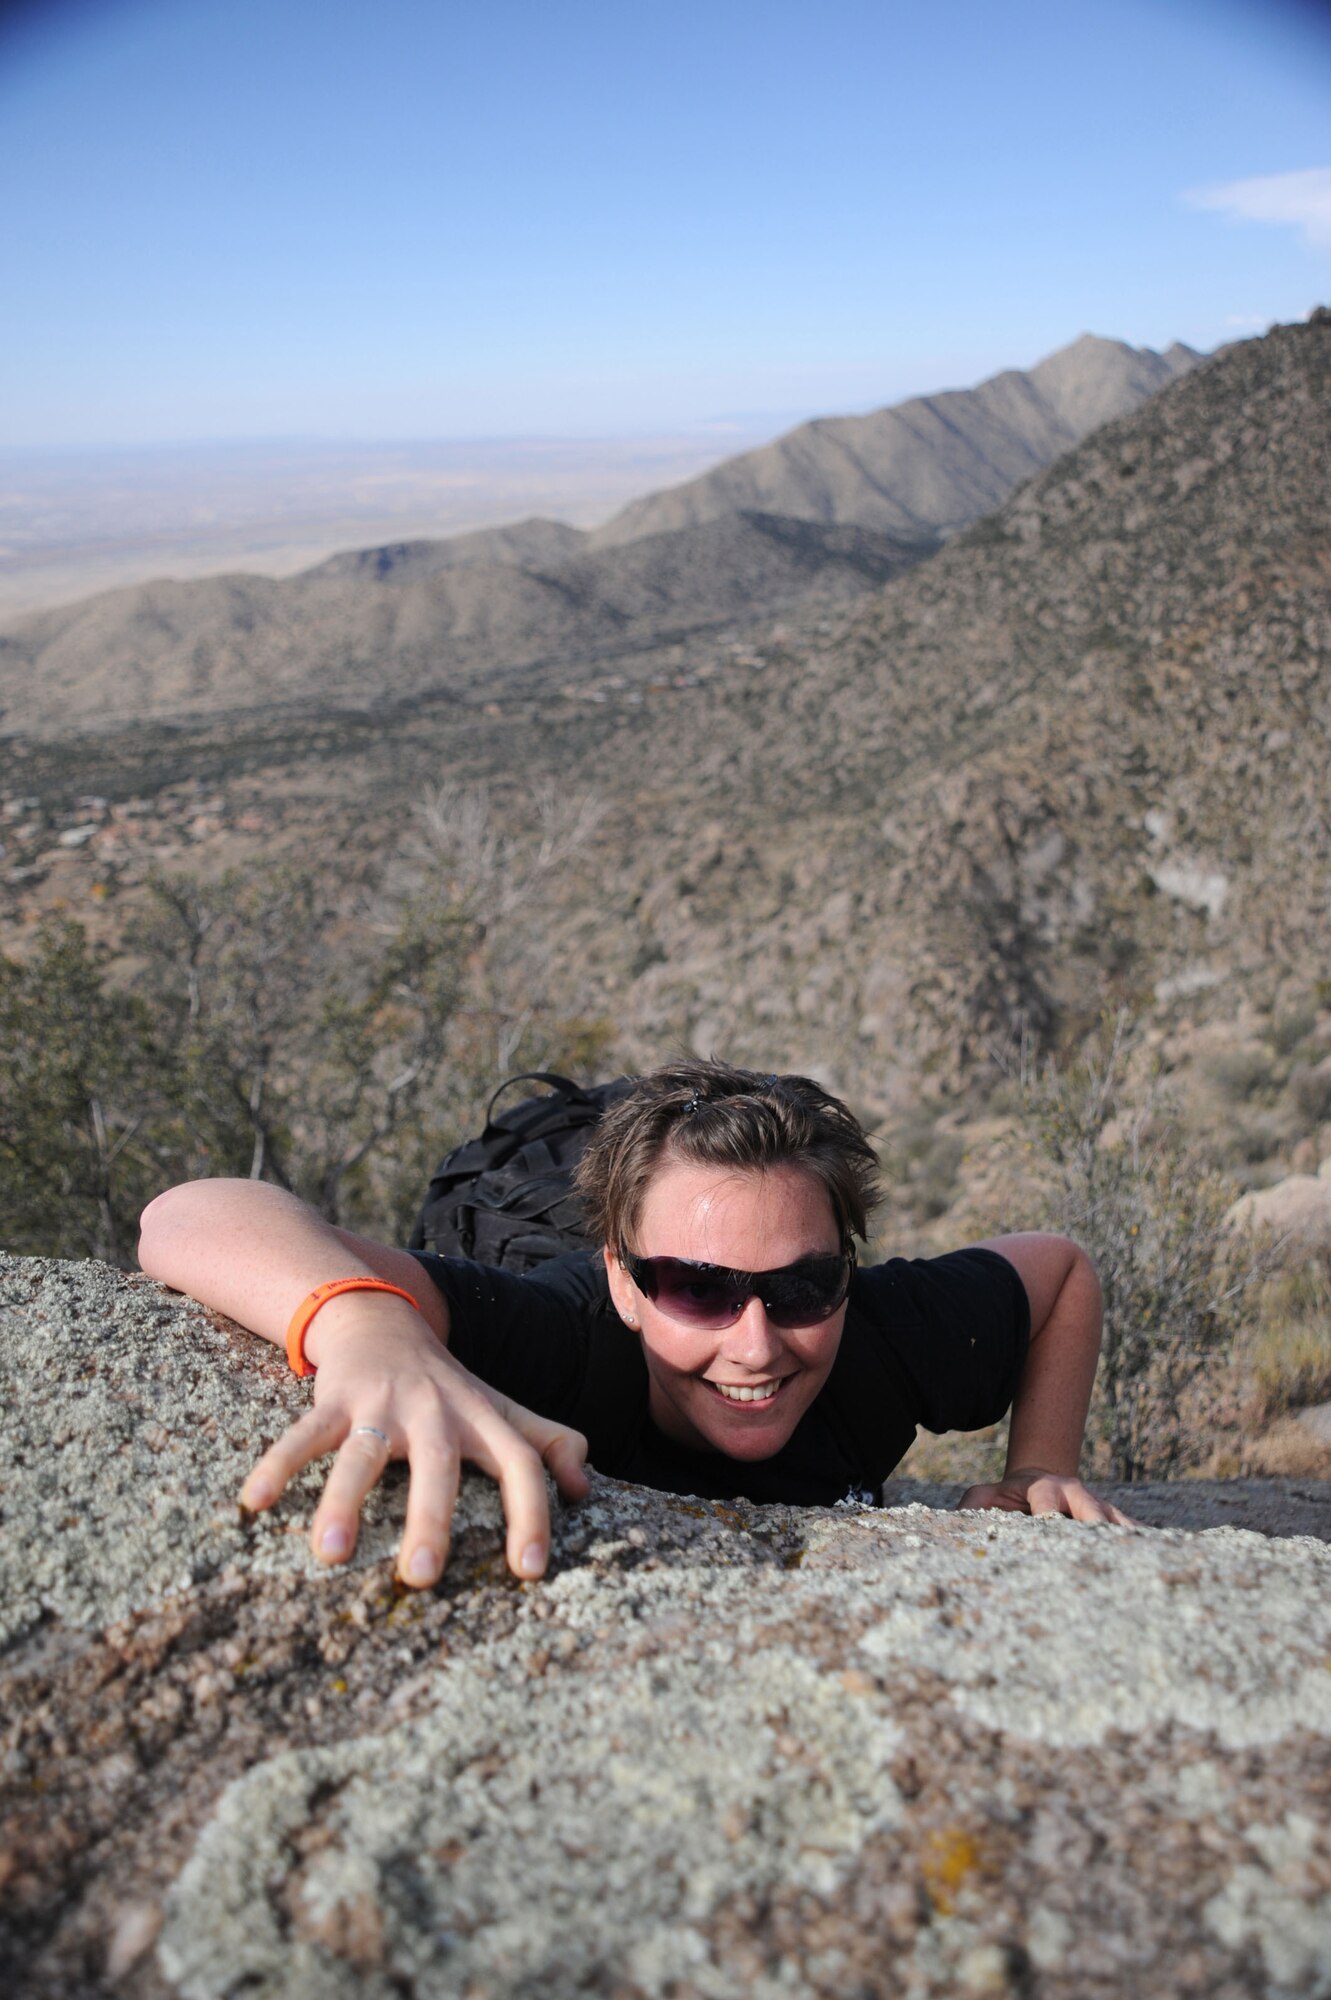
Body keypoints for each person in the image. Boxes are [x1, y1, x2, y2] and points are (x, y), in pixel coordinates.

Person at [137, 1058, 1132, 1589]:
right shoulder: (559, 1339)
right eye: (697, 1289)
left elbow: (1058, 1272)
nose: (755, 1344)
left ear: (845, 1270)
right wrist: (365, 1329)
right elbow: (184, 1213)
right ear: (620, 1279)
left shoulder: (883, 1333)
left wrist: (1038, 1467)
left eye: (801, 1286)